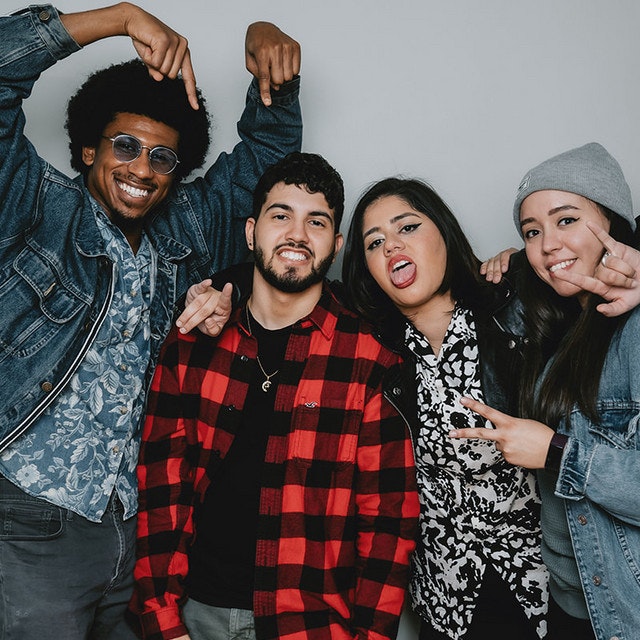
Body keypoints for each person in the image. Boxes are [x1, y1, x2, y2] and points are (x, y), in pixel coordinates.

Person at [0, 4, 301, 638]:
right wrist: (119, 18)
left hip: (140, 524)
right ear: (88, 147)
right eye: (125, 146)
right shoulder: (33, 205)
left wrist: (268, 55)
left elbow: (267, 155)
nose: (141, 168)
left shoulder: (189, 228)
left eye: (162, 157)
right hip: (31, 513)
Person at [132, 152, 420, 640]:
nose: (297, 235)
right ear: (251, 232)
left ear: (336, 245)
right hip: (195, 616)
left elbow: (387, 521)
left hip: (311, 625)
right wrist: (162, 620)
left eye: (317, 222)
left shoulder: (370, 356)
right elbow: (162, 487)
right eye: (281, 215)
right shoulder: (194, 340)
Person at [341, 177, 548, 640]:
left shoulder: (515, 307)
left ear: (444, 233)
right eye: (375, 242)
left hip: (543, 586)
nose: (392, 246)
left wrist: (523, 260)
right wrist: (224, 285)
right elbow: (287, 288)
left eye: (407, 227)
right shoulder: (376, 352)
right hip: (446, 602)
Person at [450, 142, 640, 640]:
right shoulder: (564, 330)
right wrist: (512, 270)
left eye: (566, 220)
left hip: (623, 608)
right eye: (531, 231)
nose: (547, 245)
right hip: (571, 601)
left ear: (615, 224)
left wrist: (557, 452)